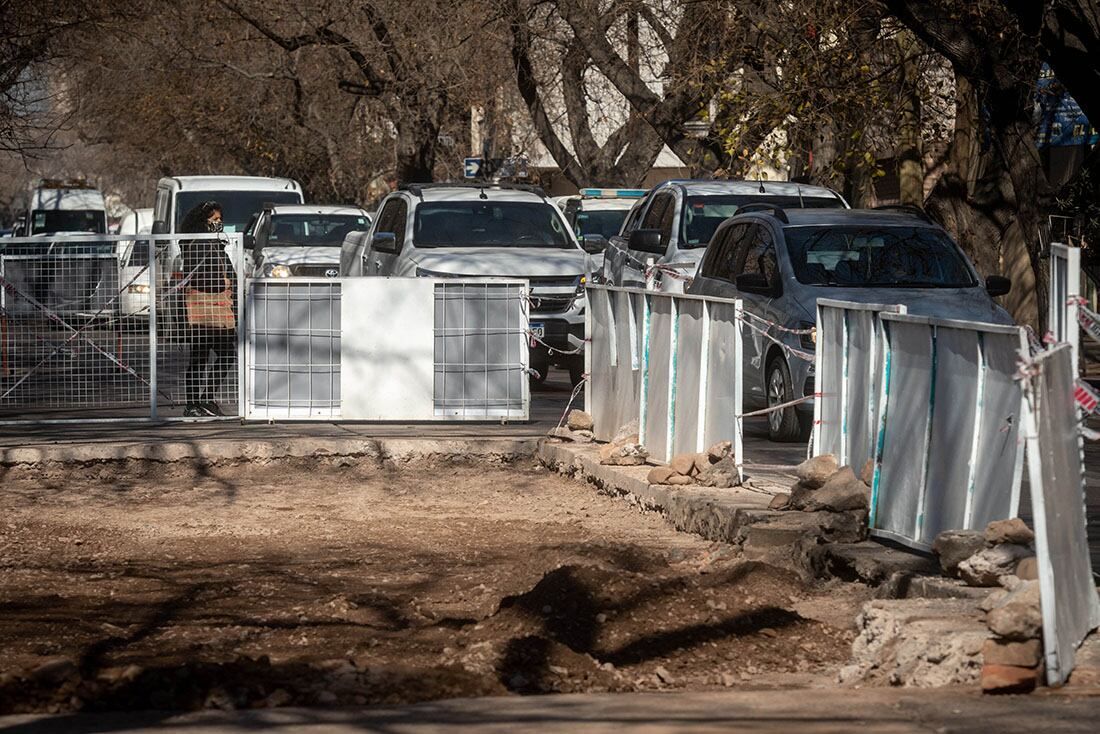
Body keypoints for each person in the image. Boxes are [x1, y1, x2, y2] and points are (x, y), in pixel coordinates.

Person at [179, 201, 235, 417]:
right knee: (203, 358)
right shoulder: (198, 245)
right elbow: (202, 277)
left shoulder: (215, 245)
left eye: (220, 220)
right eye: (214, 220)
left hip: (216, 311)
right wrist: (225, 282)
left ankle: (203, 400)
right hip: (204, 311)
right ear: (203, 222)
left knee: (219, 356)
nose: (219, 223)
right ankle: (195, 403)